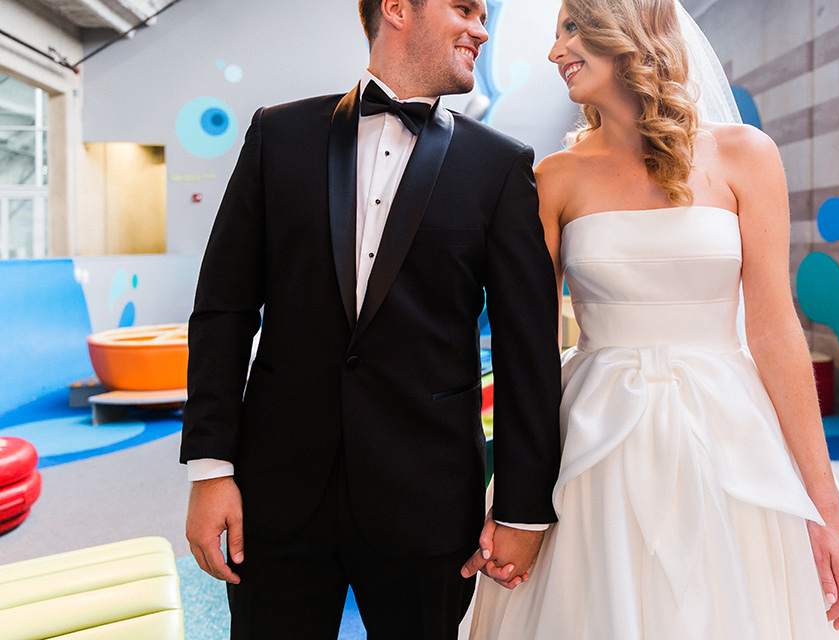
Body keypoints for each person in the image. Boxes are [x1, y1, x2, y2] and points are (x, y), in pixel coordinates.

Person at [463, 0, 839, 637]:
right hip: (595, 437)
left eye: (571, 30)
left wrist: (824, 506)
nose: (555, 53)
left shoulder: (747, 156)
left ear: (625, 30)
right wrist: (517, 508)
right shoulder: (551, 179)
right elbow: (527, 347)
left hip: (729, 432)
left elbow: (775, 327)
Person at [180, 0, 562, 637]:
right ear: (397, 9)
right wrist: (211, 470)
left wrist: (522, 511)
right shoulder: (277, 136)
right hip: (277, 496)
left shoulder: (500, 166)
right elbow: (224, 310)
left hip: (429, 505)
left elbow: (529, 354)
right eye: (465, 8)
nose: (482, 28)